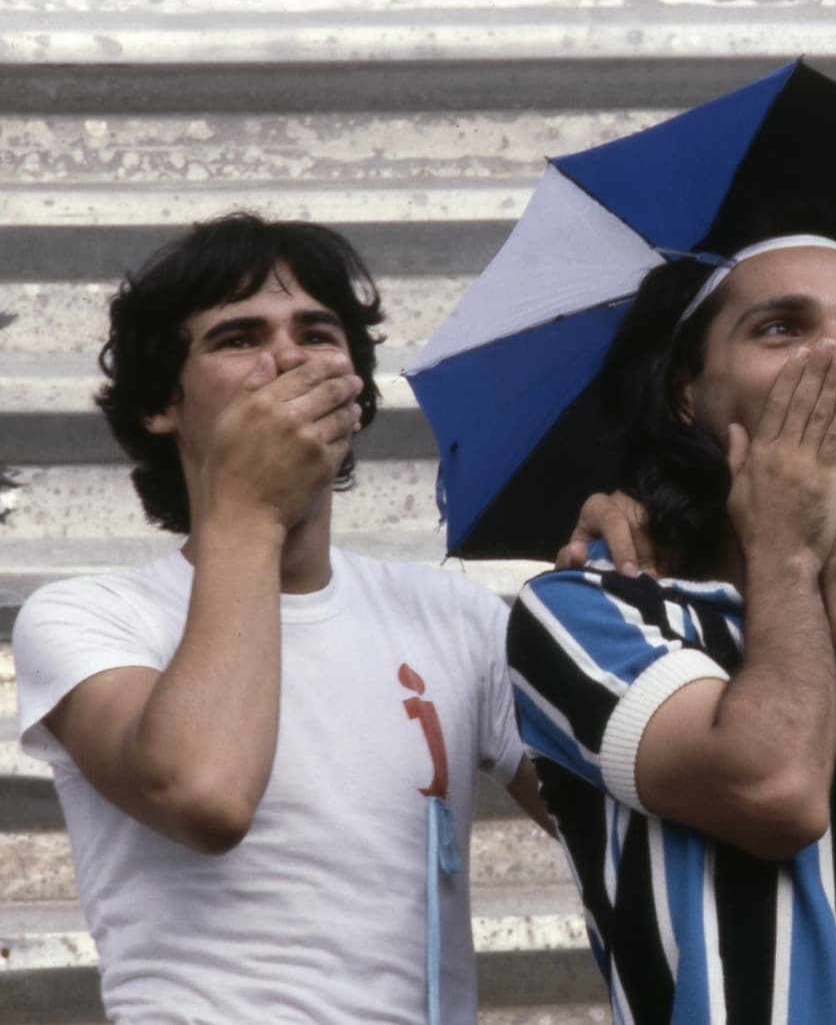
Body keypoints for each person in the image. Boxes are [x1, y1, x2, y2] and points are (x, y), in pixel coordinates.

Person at [13, 213, 550, 1023]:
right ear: (165, 403)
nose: (289, 358)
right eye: (238, 338)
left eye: (317, 333)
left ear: (358, 395)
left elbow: (626, 820)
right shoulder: (91, 616)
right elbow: (205, 792)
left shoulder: (458, 617)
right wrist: (249, 509)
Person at [508, 208, 836, 1024]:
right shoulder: (585, 608)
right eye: (782, 327)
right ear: (687, 392)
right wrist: (787, 555)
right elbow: (776, 789)